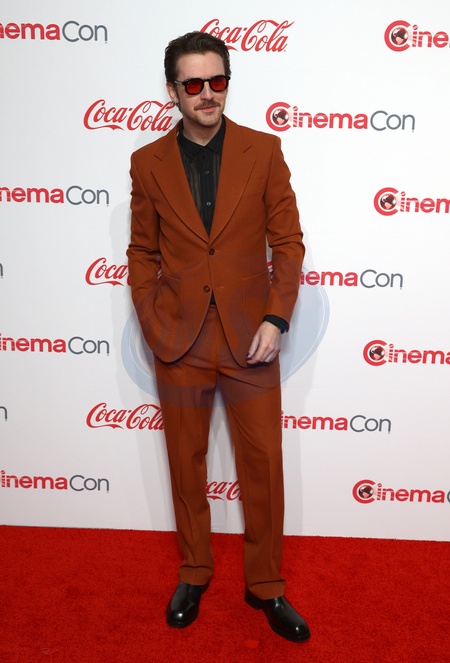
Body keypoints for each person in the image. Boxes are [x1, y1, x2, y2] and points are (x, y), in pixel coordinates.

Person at [127, 30, 309, 643]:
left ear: (228, 82)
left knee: (264, 464)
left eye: (218, 81)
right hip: (178, 338)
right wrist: (152, 319)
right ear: (172, 90)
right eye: (193, 83)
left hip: (251, 337)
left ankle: (266, 584)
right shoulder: (147, 162)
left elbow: (288, 243)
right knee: (185, 463)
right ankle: (194, 570)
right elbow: (141, 251)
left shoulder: (264, 150)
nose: (207, 94)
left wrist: (276, 318)